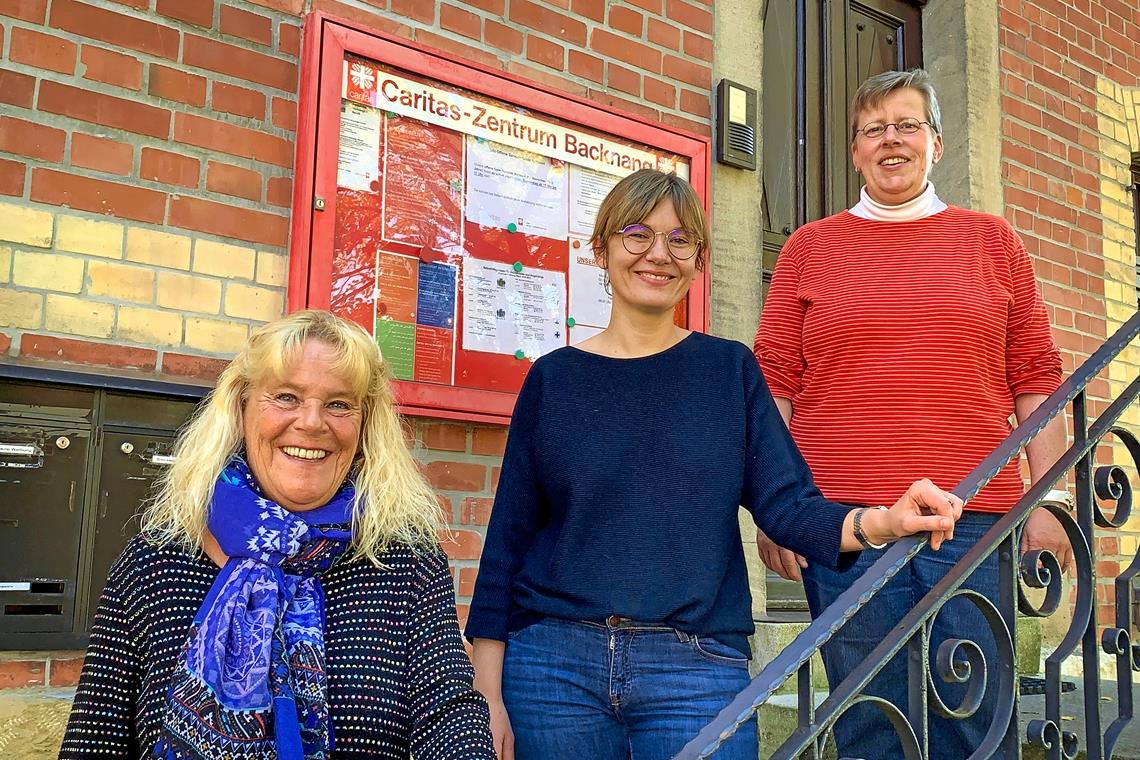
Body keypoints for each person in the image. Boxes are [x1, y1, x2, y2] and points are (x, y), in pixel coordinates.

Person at [466, 168, 966, 760]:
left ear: (698, 259)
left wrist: (882, 521)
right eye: (637, 234)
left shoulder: (727, 371)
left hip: (694, 671)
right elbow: (506, 542)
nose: (659, 254)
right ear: (600, 249)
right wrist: (487, 691)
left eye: (680, 240)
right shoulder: (553, 379)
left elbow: (786, 503)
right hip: (553, 671)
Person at [754, 68, 1068, 760]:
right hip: (842, 522)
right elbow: (771, 382)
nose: (890, 140)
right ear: (856, 151)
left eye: (907, 125)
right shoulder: (809, 248)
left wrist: (1052, 498)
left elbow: (1036, 377)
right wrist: (777, 508)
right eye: (874, 129)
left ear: (937, 143)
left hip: (975, 519)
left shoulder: (994, 242)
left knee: (974, 719)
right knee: (871, 722)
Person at [59, 310, 495, 759]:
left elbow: (450, 718)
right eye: (286, 397)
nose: (311, 422)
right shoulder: (153, 561)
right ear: (241, 408)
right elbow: (96, 734)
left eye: (339, 404)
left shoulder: (406, 563)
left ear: (365, 427)